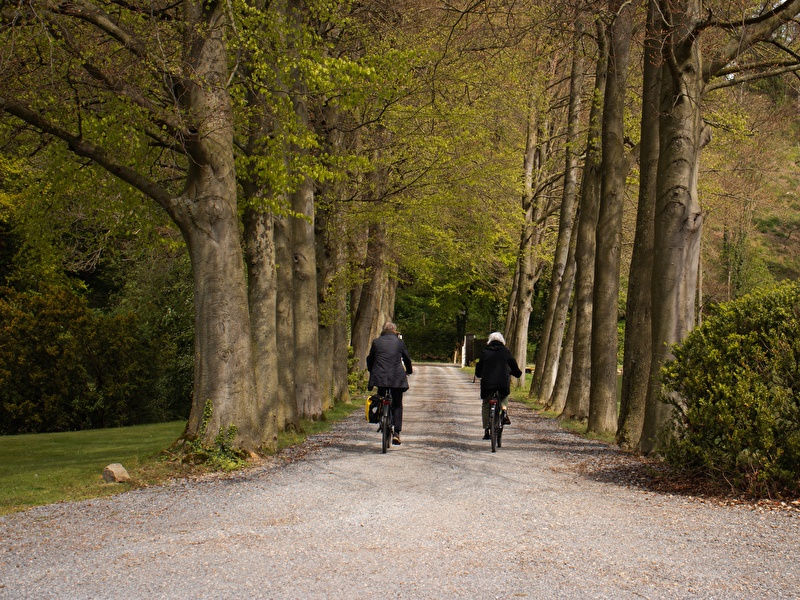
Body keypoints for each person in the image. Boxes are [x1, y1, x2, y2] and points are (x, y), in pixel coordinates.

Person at [367, 321, 413, 445]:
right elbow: (407, 359)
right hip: (397, 378)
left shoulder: (376, 342)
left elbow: (370, 359)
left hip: (380, 377)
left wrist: (372, 372)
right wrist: (409, 371)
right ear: (394, 331)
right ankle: (397, 433)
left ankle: (381, 415)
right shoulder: (399, 343)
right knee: (397, 404)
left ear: (384, 330)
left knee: (381, 396)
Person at [474, 332, 522, 440]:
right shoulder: (505, 352)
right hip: (502, 382)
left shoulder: (485, 351)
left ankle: (486, 428)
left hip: (488, 383)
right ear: (502, 340)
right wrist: (517, 373)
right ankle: (504, 411)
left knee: (486, 404)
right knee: (504, 396)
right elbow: (513, 364)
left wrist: (479, 374)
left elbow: (479, 365)